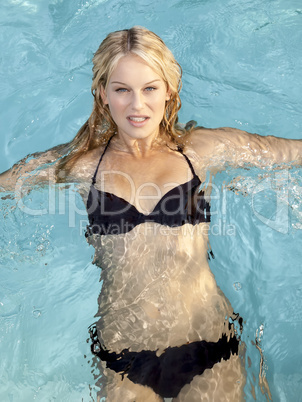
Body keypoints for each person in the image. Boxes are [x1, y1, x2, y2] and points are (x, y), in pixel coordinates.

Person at [0, 26, 301, 401]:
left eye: (149, 88)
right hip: (122, 359)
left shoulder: (201, 152)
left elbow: (289, 153)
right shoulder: (79, 166)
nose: (137, 105)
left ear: (169, 91)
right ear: (102, 94)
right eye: (122, 89)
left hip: (207, 344)